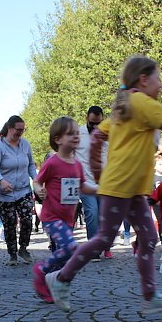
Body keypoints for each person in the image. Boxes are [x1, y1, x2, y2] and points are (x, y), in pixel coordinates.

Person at [44, 55, 162, 314]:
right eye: (157, 78)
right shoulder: (140, 100)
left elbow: (99, 134)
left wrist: (99, 171)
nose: (161, 83)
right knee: (104, 239)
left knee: (148, 237)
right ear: (143, 79)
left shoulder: (125, 107)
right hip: (121, 185)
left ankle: (150, 294)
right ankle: (61, 278)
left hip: (129, 187)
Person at [32, 117, 96, 303]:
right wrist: (39, 189)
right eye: (71, 133)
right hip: (52, 217)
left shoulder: (77, 165)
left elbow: (83, 187)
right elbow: (37, 180)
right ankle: (42, 269)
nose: (76, 136)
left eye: (77, 133)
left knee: (65, 257)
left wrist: (102, 189)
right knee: (71, 248)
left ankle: (46, 282)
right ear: (58, 139)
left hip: (68, 219)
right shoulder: (52, 162)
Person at [0, 115, 38, 265]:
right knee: (9, 224)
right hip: (4, 193)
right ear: (9, 128)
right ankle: (12, 254)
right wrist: (1, 181)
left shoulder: (25, 145)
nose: (20, 133)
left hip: (23, 189)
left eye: (23, 130)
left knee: (27, 220)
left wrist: (35, 179)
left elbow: (30, 164)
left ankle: (23, 248)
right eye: (18, 130)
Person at [75, 106, 106, 245]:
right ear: (86, 118)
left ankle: (103, 246)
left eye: (98, 123)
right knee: (92, 213)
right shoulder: (77, 133)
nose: (94, 126)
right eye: (92, 122)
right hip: (85, 182)